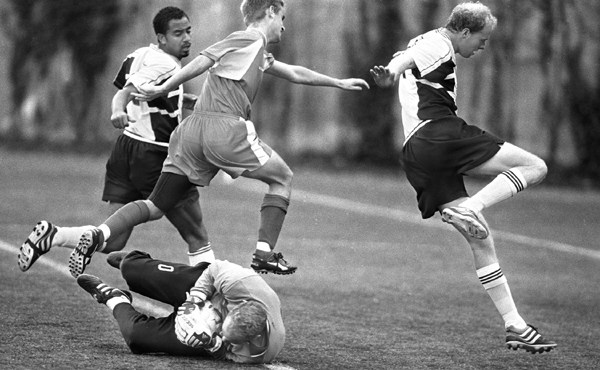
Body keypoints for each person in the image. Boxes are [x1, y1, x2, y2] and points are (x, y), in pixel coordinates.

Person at [68, 0, 370, 277]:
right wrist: (164, 88)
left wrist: (338, 83)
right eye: (282, 17)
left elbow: (293, 72)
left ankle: (99, 235)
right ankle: (264, 253)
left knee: (156, 206)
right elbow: (203, 59)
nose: (284, 25)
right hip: (224, 130)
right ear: (269, 12)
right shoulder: (249, 38)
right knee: (283, 178)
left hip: (189, 133)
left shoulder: (254, 50)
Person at [370, 2, 556, 354]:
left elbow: (407, 56)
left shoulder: (425, 41)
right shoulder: (439, 42)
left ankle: (515, 324)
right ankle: (471, 205)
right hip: (438, 135)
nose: (483, 46)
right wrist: (391, 72)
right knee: (536, 167)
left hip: (417, 155)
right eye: (482, 39)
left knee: (480, 239)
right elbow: (404, 61)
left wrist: (395, 69)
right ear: (465, 31)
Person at [18, 7, 214, 275]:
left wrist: (187, 101)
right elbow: (126, 93)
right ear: (161, 38)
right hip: (154, 156)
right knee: (197, 235)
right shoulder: (166, 64)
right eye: (178, 33)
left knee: (115, 240)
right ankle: (208, 298)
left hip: (125, 150)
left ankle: (54, 235)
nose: (187, 38)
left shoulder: (139, 55)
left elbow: (150, 94)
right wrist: (117, 110)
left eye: (188, 31)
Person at [77, 249, 284, 363]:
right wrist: (194, 300)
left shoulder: (257, 353)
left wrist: (212, 343)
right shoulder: (239, 283)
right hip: (207, 288)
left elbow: (225, 354)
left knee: (136, 337)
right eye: (223, 324)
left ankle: (112, 297)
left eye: (226, 336)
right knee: (131, 270)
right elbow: (214, 269)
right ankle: (132, 263)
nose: (220, 330)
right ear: (236, 305)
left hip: (206, 328)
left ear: (250, 339)